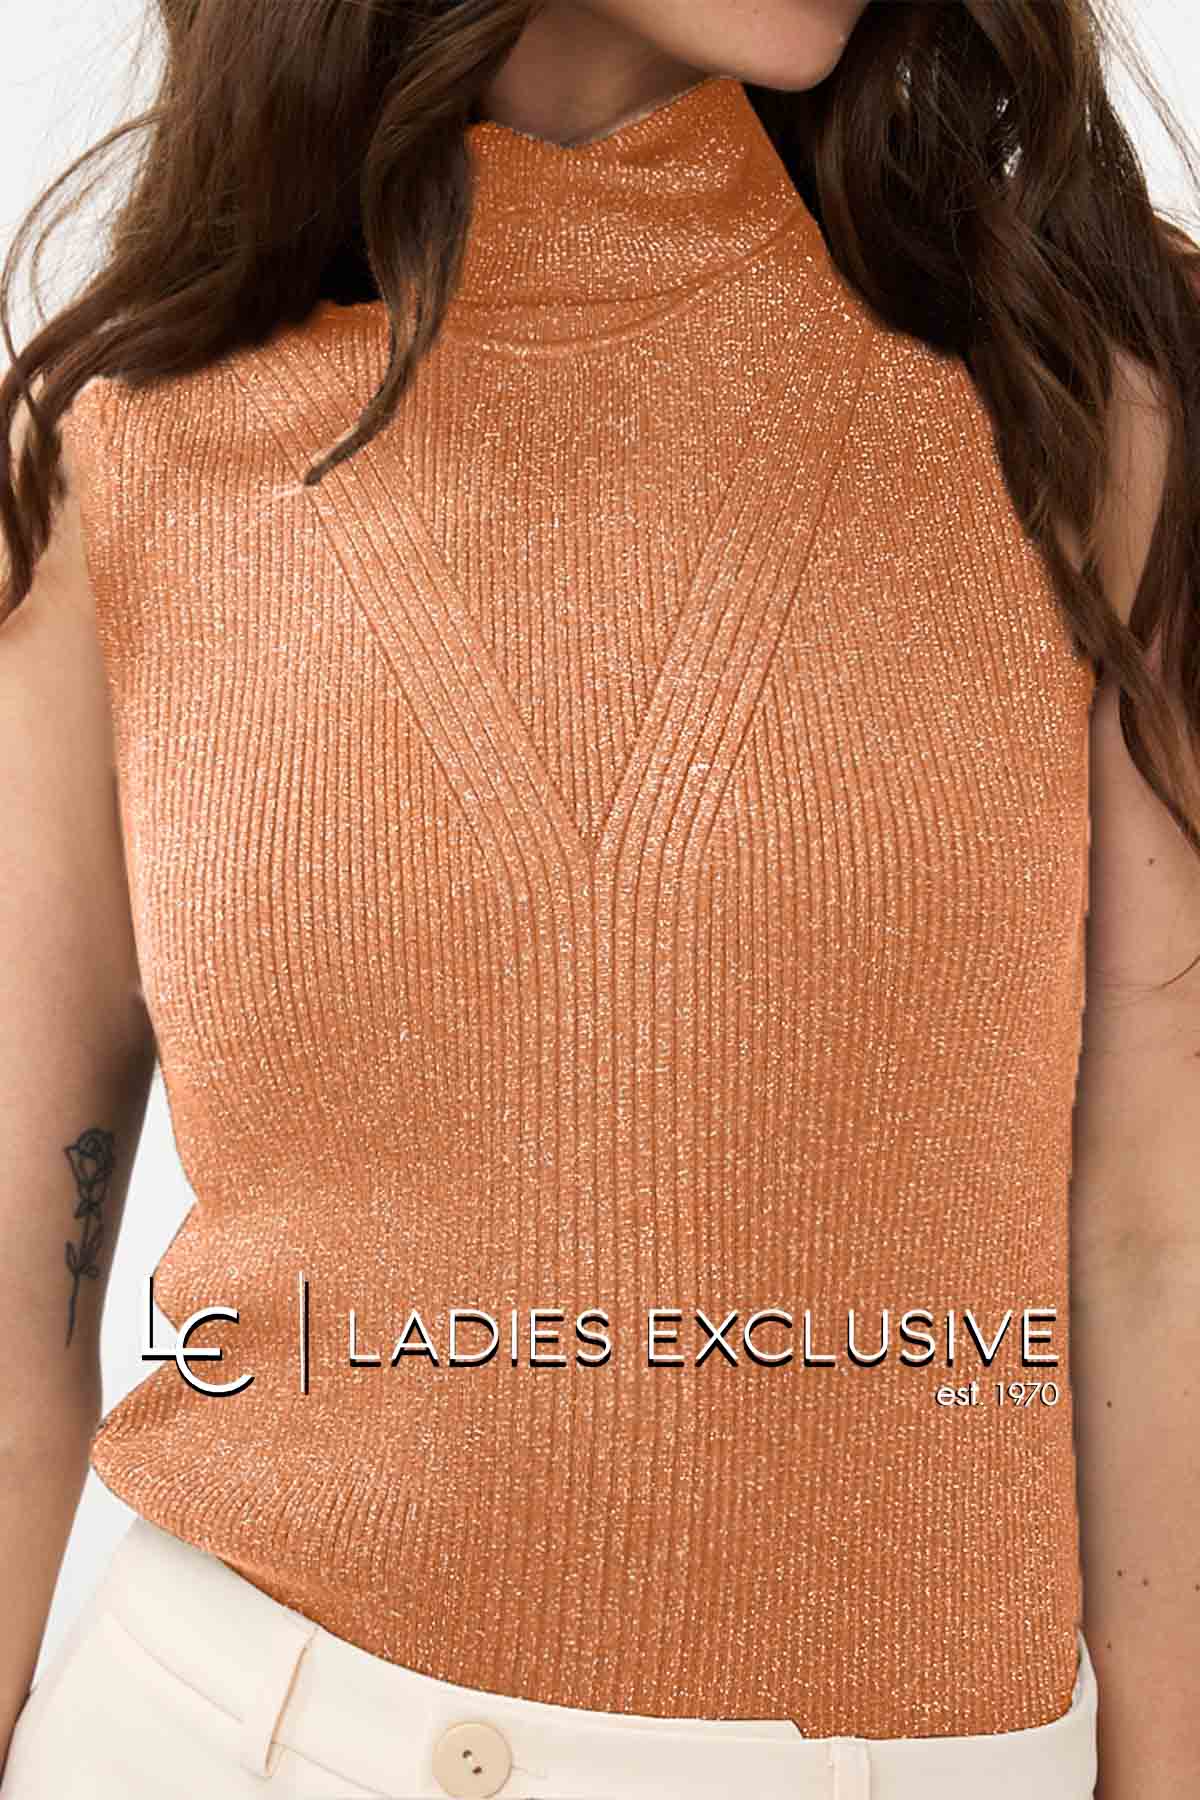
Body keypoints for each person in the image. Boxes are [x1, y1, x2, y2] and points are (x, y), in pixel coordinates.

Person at [1, 2, 1198, 1796]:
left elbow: (1161, 1222)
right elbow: (18, 1284)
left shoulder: (1076, 383)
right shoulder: (121, 443)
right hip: (222, 1733)